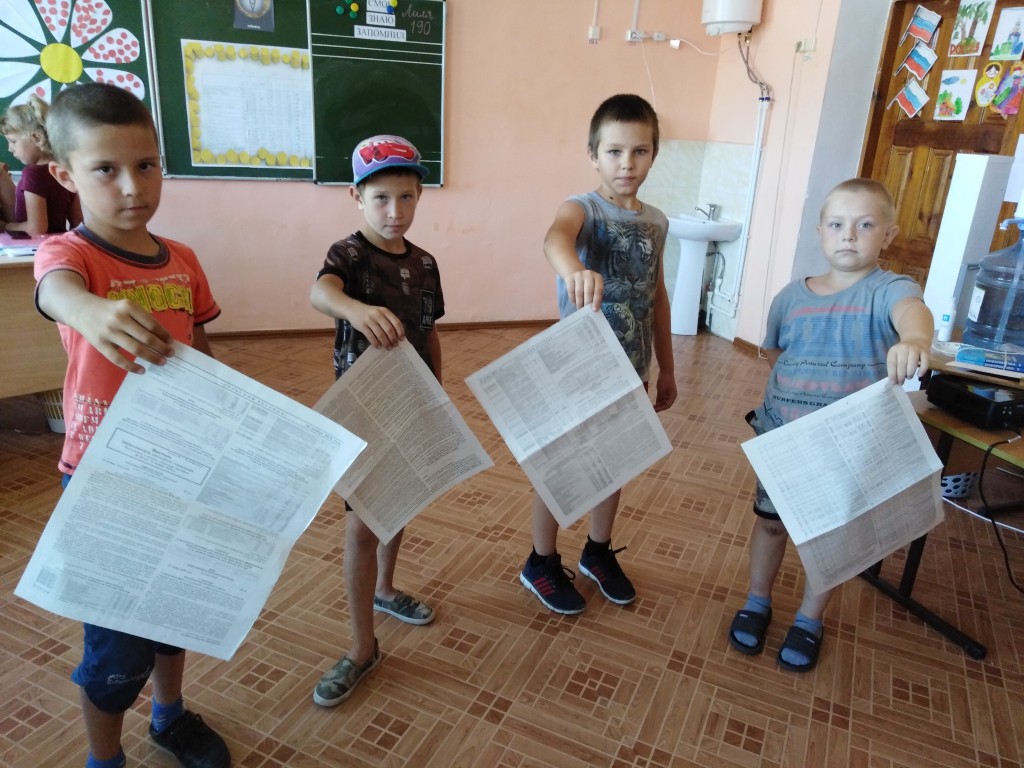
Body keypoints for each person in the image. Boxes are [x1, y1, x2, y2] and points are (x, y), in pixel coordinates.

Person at [34, 82, 229, 768]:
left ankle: (170, 715)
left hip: (180, 467)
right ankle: (105, 757)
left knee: (174, 615)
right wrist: (89, 311)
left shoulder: (183, 259)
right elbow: (56, 291)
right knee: (115, 650)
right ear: (64, 175)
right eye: (105, 169)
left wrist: (226, 419)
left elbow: (200, 348)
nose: (131, 187)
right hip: (104, 479)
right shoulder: (71, 256)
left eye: (146, 165)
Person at [726, 178, 933, 672]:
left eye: (865, 225)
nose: (849, 235)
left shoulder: (890, 290)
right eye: (837, 225)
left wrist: (915, 340)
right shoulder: (790, 298)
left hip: (848, 448)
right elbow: (775, 352)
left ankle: (809, 619)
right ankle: (757, 600)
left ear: (888, 235)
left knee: (831, 536)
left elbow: (914, 313)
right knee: (771, 523)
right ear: (820, 232)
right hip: (786, 438)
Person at [519, 93, 677, 615]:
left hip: (631, 369)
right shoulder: (582, 208)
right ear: (593, 155)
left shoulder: (658, 221)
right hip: (578, 369)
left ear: (654, 154)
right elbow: (555, 239)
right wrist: (573, 270)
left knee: (615, 461)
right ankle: (541, 560)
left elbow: (657, 296)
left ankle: (598, 550)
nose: (626, 163)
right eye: (613, 151)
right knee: (560, 463)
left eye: (639, 151)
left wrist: (667, 367)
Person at [309, 134, 443, 706]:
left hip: (410, 404)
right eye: (382, 198)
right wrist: (356, 309)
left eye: (406, 197)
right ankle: (363, 647)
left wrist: (437, 398)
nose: (395, 211)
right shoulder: (349, 256)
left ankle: (386, 589)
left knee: (397, 504)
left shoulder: (426, 263)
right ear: (357, 196)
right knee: (361, 528)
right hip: (363, 409)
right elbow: (321, 292)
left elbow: (429, 332)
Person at [0, 94, 81, 234]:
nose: (10, 149)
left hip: (34, 246)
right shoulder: (66, 170)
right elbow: (78, 223)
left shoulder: (33, 173)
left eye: (13, 141)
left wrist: (5, 226)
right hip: (59, 243)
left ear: (37, 138)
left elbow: (36, 229)